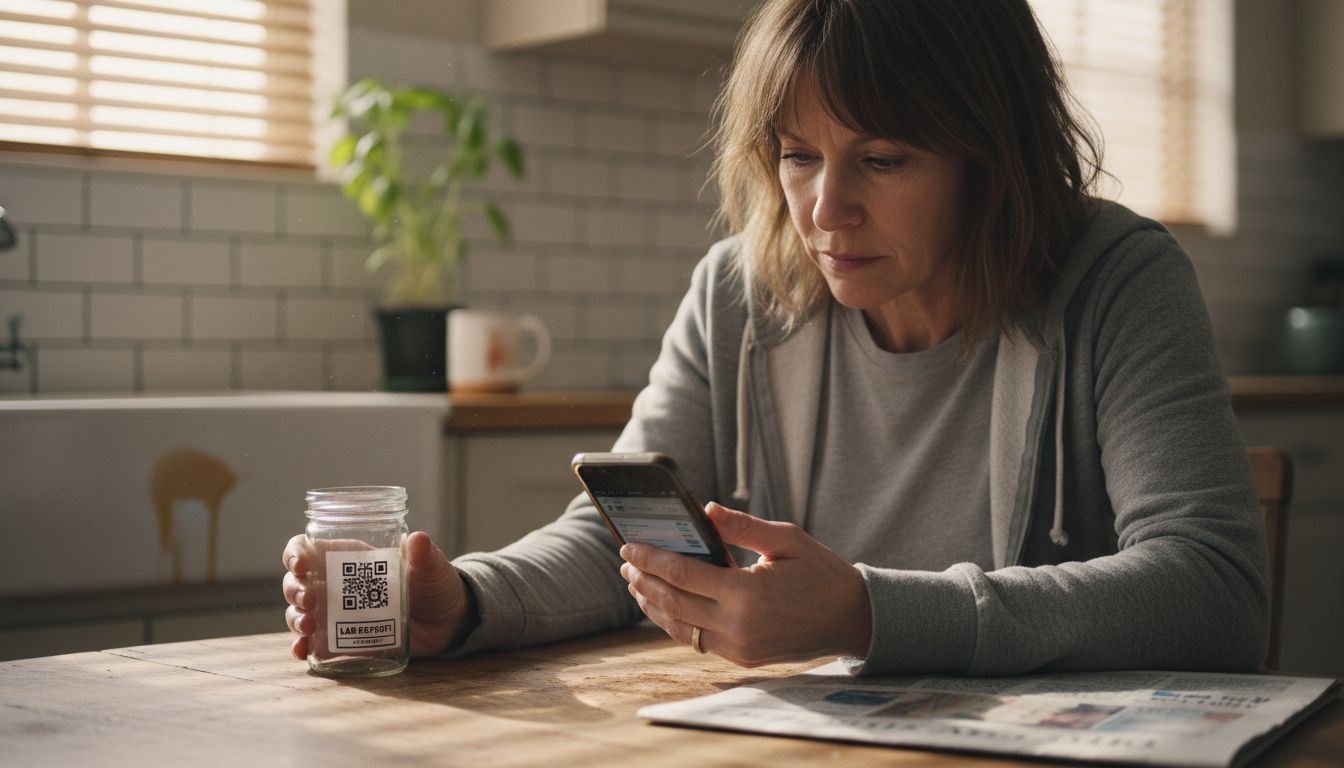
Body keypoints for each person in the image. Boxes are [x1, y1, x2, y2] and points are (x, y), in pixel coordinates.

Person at [283, 0, 1268, 675]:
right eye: (799, 156)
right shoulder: (739, 293)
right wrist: (467, 600)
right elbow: (625, 543)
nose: (825, 209)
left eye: (881, 158)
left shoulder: (1116, 278)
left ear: (992, 156)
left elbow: (1214, 590)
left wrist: (870, 611)